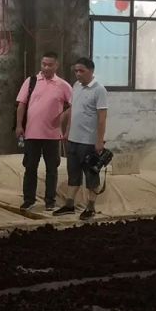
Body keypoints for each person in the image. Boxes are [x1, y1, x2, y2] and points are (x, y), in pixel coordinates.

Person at [15, 52, 72, 211]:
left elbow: (74, 105)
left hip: (52, 135)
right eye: (44, 64)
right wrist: (19, 125)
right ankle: (29, 199)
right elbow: (21, 104)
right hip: (31, 134)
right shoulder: (31, 81)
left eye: (50, 65)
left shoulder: (63, 85)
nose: (46, 67)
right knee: (30, 168)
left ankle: (50, 200)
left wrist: (63, 118)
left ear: (56, 65)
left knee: (52, 169)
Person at [55, 57, 109, 221]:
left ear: (91, 71)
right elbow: (73, 110)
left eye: (81, 71)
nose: (78, 74)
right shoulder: (76, 86)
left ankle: (90, 207)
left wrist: (99, 140)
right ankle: (69, 204)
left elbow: (102, 118)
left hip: (89, 141)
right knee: (73, 173)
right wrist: (67, 131)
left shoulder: (99, 90)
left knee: (91, 175)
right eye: (76, 71)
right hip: (73, 139)